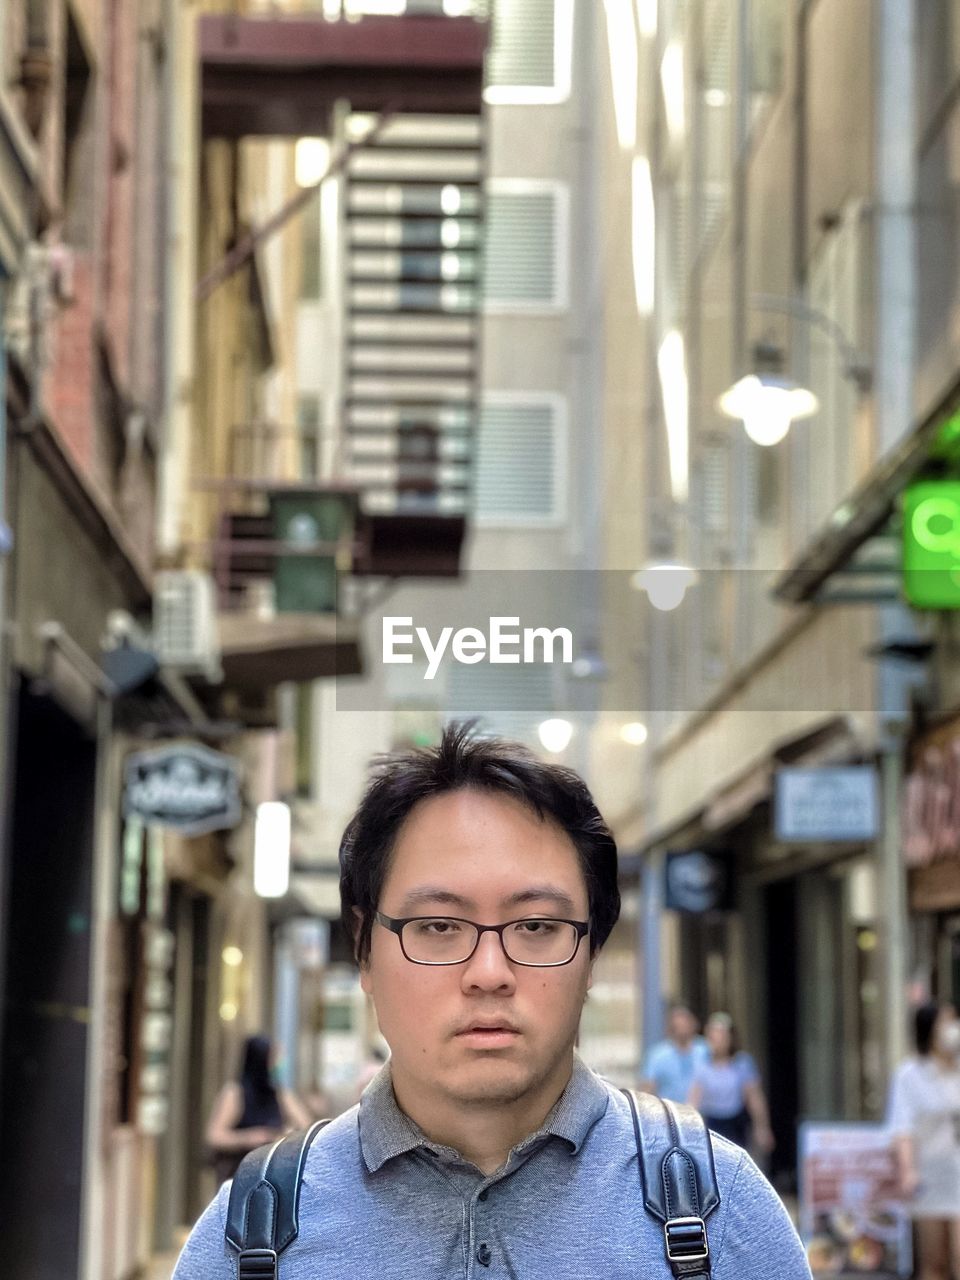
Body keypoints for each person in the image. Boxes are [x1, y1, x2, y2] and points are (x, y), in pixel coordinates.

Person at [175, 722, 811, 1278]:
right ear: (366, 950)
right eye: (438, 927)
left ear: (590, 955)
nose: (488, 972)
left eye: (536, 927)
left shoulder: (718, 1209)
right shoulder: (253, 1235)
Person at [886, 1001, 960, 1280]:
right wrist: (908, 1171)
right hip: (929, 1173)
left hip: (958, 1170)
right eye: (945, 1022)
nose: (952, 1029)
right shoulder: (910, 1075)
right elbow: (902, 1128)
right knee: (933, 1261)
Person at [205, 1034, 312, 1183]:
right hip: (238, 1174)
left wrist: (286, 1135)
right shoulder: (235, 1093)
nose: (279, 1063)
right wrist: (249, 1138)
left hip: (271, 1175)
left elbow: (306, 1126)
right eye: (274, 1058)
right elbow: (215, 1136)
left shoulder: (279, 1094)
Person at [687, 1012, 774, 1155]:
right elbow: (694, 1098)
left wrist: (762, 1127)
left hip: (735, 1122)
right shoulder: (702, 1064)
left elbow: (754, 1097)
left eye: (722, 1035)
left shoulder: (742, 1063)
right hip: (711, 1122)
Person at [640, 1000, 709, 1102]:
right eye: (678, 1026)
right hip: (669, 1113)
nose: (682, 1029)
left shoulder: (706, 1049)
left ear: (694, 1025)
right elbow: (648, 1087)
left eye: (685, 1024)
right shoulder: (658, 1054)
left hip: (703, 1114)